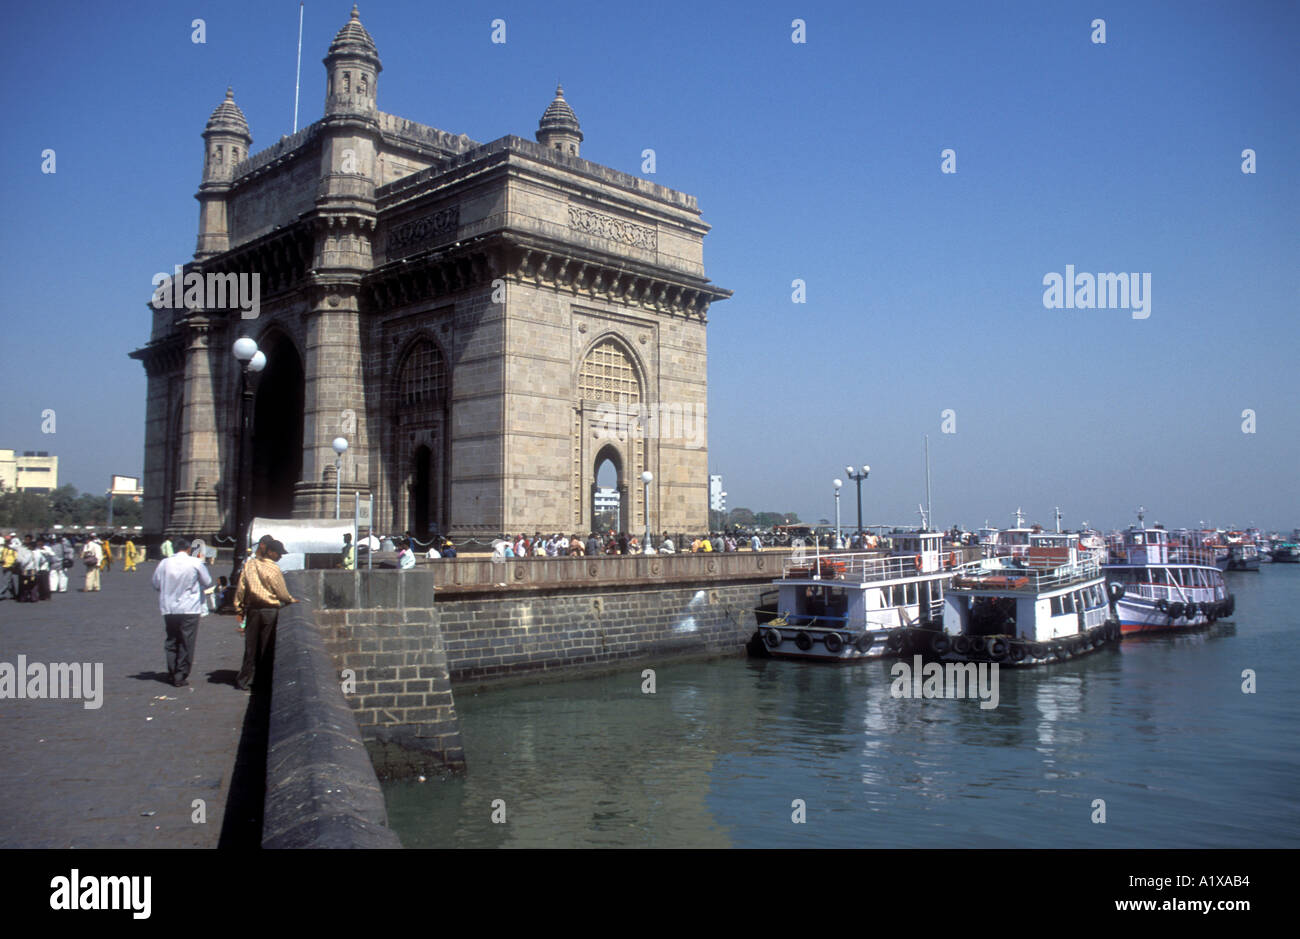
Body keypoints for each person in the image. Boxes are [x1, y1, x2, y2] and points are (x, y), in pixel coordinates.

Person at [233, 537, 297, 692]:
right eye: (278, 553)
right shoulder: (274, 569)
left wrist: (238, 608)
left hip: (253, 609)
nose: (280, 556)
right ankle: (262, 681)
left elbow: (241, 588)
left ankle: (244, 679)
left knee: (250, 646)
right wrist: (291, 600)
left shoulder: (250, 565)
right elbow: (281, 592)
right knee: (266, 646)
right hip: (270, 611)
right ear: (270, 552)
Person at [152, 538, 213, 687]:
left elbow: (155, 583)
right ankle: (180, 674)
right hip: (189, 608)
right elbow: (207, 581)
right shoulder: (195, 563)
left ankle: (172, 671)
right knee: (187, 641)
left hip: (169, 608)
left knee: (172, 640)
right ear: (188, 549)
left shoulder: (164, 563)